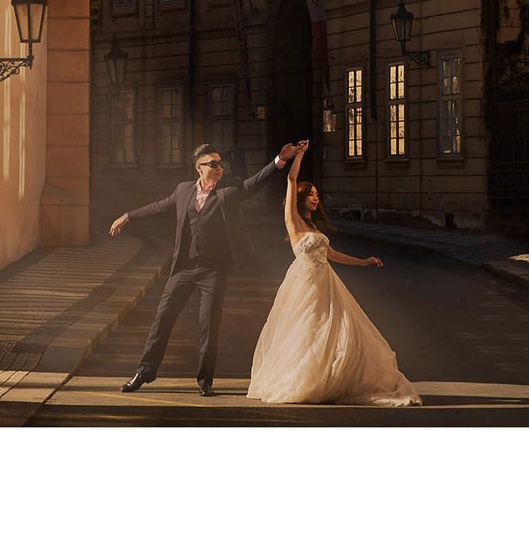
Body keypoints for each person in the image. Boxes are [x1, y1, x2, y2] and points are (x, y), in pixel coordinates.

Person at [110, 140, 300, 396]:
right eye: (214, 164)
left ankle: (205, 380)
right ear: (199, 168)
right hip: (184, 268)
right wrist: (128, 216)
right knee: (162, 319)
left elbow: (253, 183)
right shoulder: (183, 190)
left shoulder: (229, 189)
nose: (220, 167)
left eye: (221, 163)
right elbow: (159, 207)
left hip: (214, 270)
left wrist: (280, 159)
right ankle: (144, 372)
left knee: (209, 324)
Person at [247, 140, 422, 406]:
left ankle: (328, 377)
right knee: (305, 329)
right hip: (303, 282)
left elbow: (334, 256)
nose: (316, 198)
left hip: (327, 282)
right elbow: (292, 180)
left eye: (317, 194)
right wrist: (300, 155)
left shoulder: (315, 229)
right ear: (301, 197)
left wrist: (364, 262)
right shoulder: (293, 222)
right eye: (312, 194)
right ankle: (303, 378)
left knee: (336, 330)